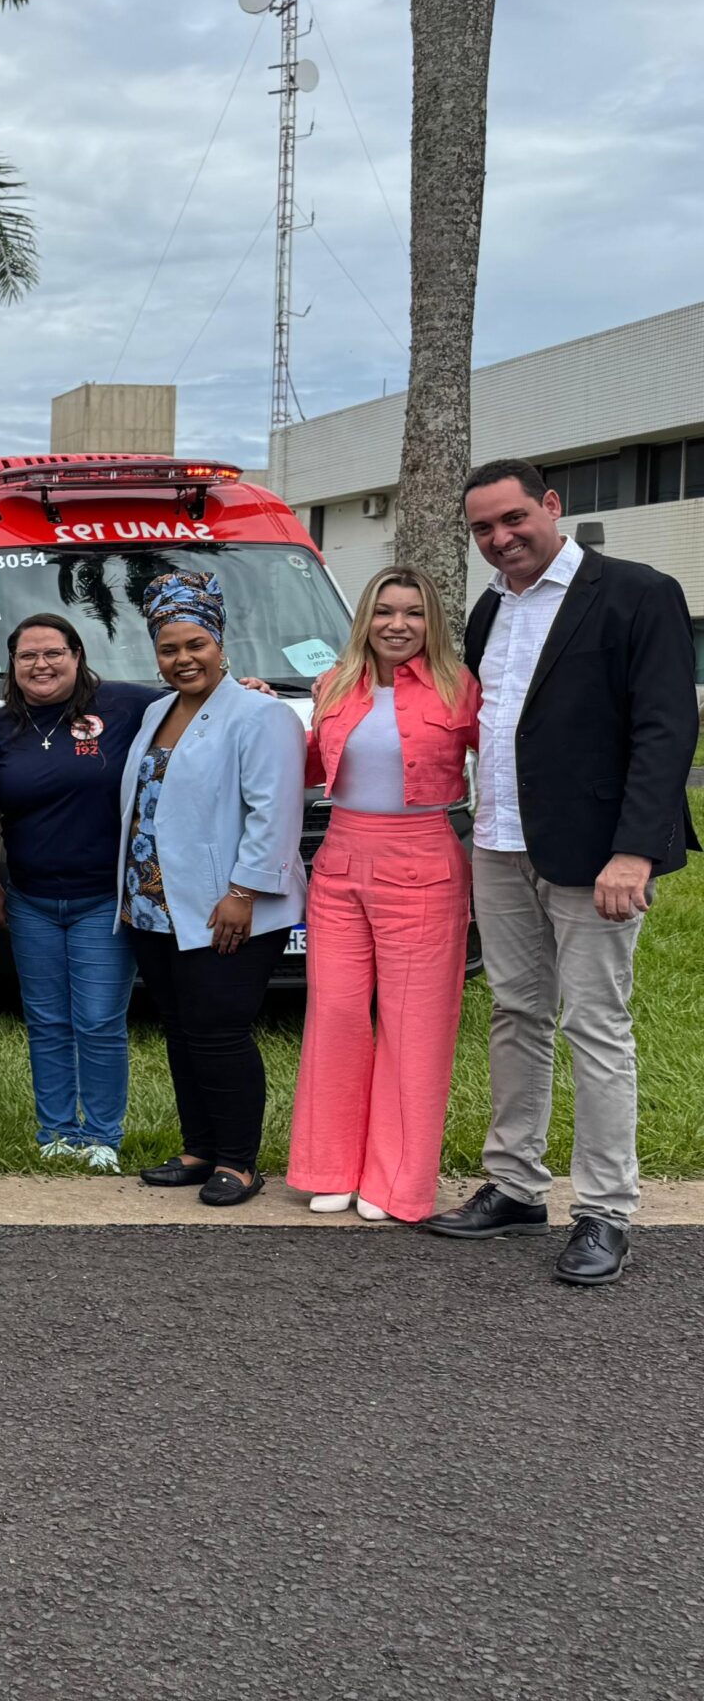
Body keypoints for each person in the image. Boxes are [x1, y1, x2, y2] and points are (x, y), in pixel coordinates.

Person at [427, 459, 699, 1283]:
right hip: (502, 844)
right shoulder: (488, 609)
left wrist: (635, 849)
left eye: (513, 519)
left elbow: (665, 728)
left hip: (597, 854)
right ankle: (514, 1186)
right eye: (483, 530)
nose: (500, 539)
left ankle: (605, 1209)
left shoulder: (636, 592)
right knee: (516, 1013)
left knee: (596, 1024)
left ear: (552, 506)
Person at [291, 569, 479, 1223]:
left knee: (414, 1026)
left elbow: (509, 768)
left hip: (424, 861)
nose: (398, 625)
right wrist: (265, 715)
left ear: (432, 622)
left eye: (414, 613)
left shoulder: (461, 690)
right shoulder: (333, 685)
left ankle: (396, 1180)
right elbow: (319, 765)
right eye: (385, 612)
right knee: (337, 1014)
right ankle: (330, 1166)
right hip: (340, 861)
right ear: (365, 619)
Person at [119, 572, 308, 1208]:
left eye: (194, 644)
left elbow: (274, 813)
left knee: (219, 1030)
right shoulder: (155, 712)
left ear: (220, 644)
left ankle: (239, 1162)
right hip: (156, 906)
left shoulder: (261, 713)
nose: (182, 659)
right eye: (169, 648)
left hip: (230, 905)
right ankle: (199, 1149)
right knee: (180, 1028)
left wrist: (244, 893)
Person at [0, 614, 161, 1173]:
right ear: (12, 666)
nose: (41, 664)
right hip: (30, 897)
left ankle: (103, 1134)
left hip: (102, 899)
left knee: (100, 1020)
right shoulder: (0, 728)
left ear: (78, 655)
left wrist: (243, 686)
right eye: (27, 655)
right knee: (47, 1020)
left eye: (53, 652)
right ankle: (55, 1131)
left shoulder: (126, 705)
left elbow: (195, 697)